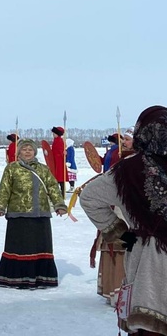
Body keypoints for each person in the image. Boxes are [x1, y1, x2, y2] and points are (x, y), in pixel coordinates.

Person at [80, 105, 167, 336]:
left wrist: (121, 233)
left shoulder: (127, 169)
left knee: (149, 320)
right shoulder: (126, 170)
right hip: (149, 255)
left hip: (147, 254)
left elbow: (89, 197)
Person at [0, 139, 67, 289]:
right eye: (24, 149)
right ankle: (17, 278)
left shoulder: (43, 169)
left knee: (40, 246)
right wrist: (0, 207)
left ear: (35, 152)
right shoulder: (11, 168)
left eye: (30, 149)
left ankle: (41, 278)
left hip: (40, 215)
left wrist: (59, 204)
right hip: (18, 214)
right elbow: (4, 189)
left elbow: (52, 187)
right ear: (19, 152)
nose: (27, 152)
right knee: (21, 247)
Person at [50, 126, 67, 196]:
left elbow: (61, 151)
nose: (53, 134)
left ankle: (62, 193)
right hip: (55, 161)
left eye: (54, 133)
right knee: (57, 178)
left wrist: (64, 154)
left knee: (60, 178)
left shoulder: (59, 141)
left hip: (59, 162)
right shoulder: (56, 140)